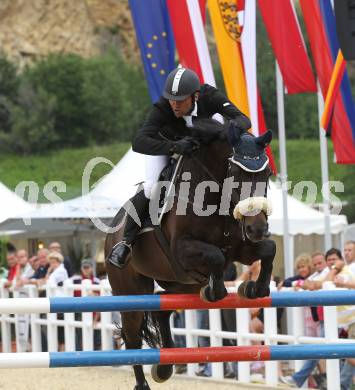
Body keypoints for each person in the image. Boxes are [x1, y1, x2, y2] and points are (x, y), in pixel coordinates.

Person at [107, 67, 251, 269]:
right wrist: (174, 146)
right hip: (167, 149)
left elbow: (243, 119)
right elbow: (139, 141)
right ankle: (126, 243)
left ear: (196, 96)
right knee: (151, 188)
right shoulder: (163, 107)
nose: (174, 104)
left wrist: (224, 133)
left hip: (200, 151)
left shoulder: (210, 96)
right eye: (172, 99)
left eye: (181, 100)